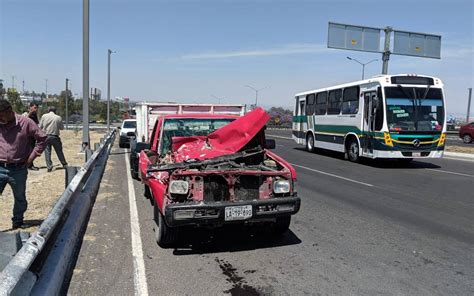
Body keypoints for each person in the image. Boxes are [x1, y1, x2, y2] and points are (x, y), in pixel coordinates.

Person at [0, 99, 47, 229]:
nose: (0, 119)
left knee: (20, 198)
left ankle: (17, 222)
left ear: (9, 111)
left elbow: (42, 139)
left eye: (1, 115)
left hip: (18, 168)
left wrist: (31, 158)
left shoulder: (25, 123)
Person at [39, 106, 68, 172]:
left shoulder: (44, 116)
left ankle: (49, 166)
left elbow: (40, 126)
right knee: (59, 151)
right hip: (55, 136)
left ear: (48, 110)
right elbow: (62, 128)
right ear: (55, 111)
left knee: (47, 152)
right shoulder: (58, 117)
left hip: (45, 136)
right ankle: (64, 164)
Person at [22, 102, 40, 170]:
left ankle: (29, 164)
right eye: (35, 108)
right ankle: (29, 165)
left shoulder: (35, 115)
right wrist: (30, 113)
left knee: (31, 150)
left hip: (32, 136)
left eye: (37, 108)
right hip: (26, 136)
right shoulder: (26, 114)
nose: (36, 109)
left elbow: (36, 124)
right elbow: (23, 121)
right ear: (30, 107)